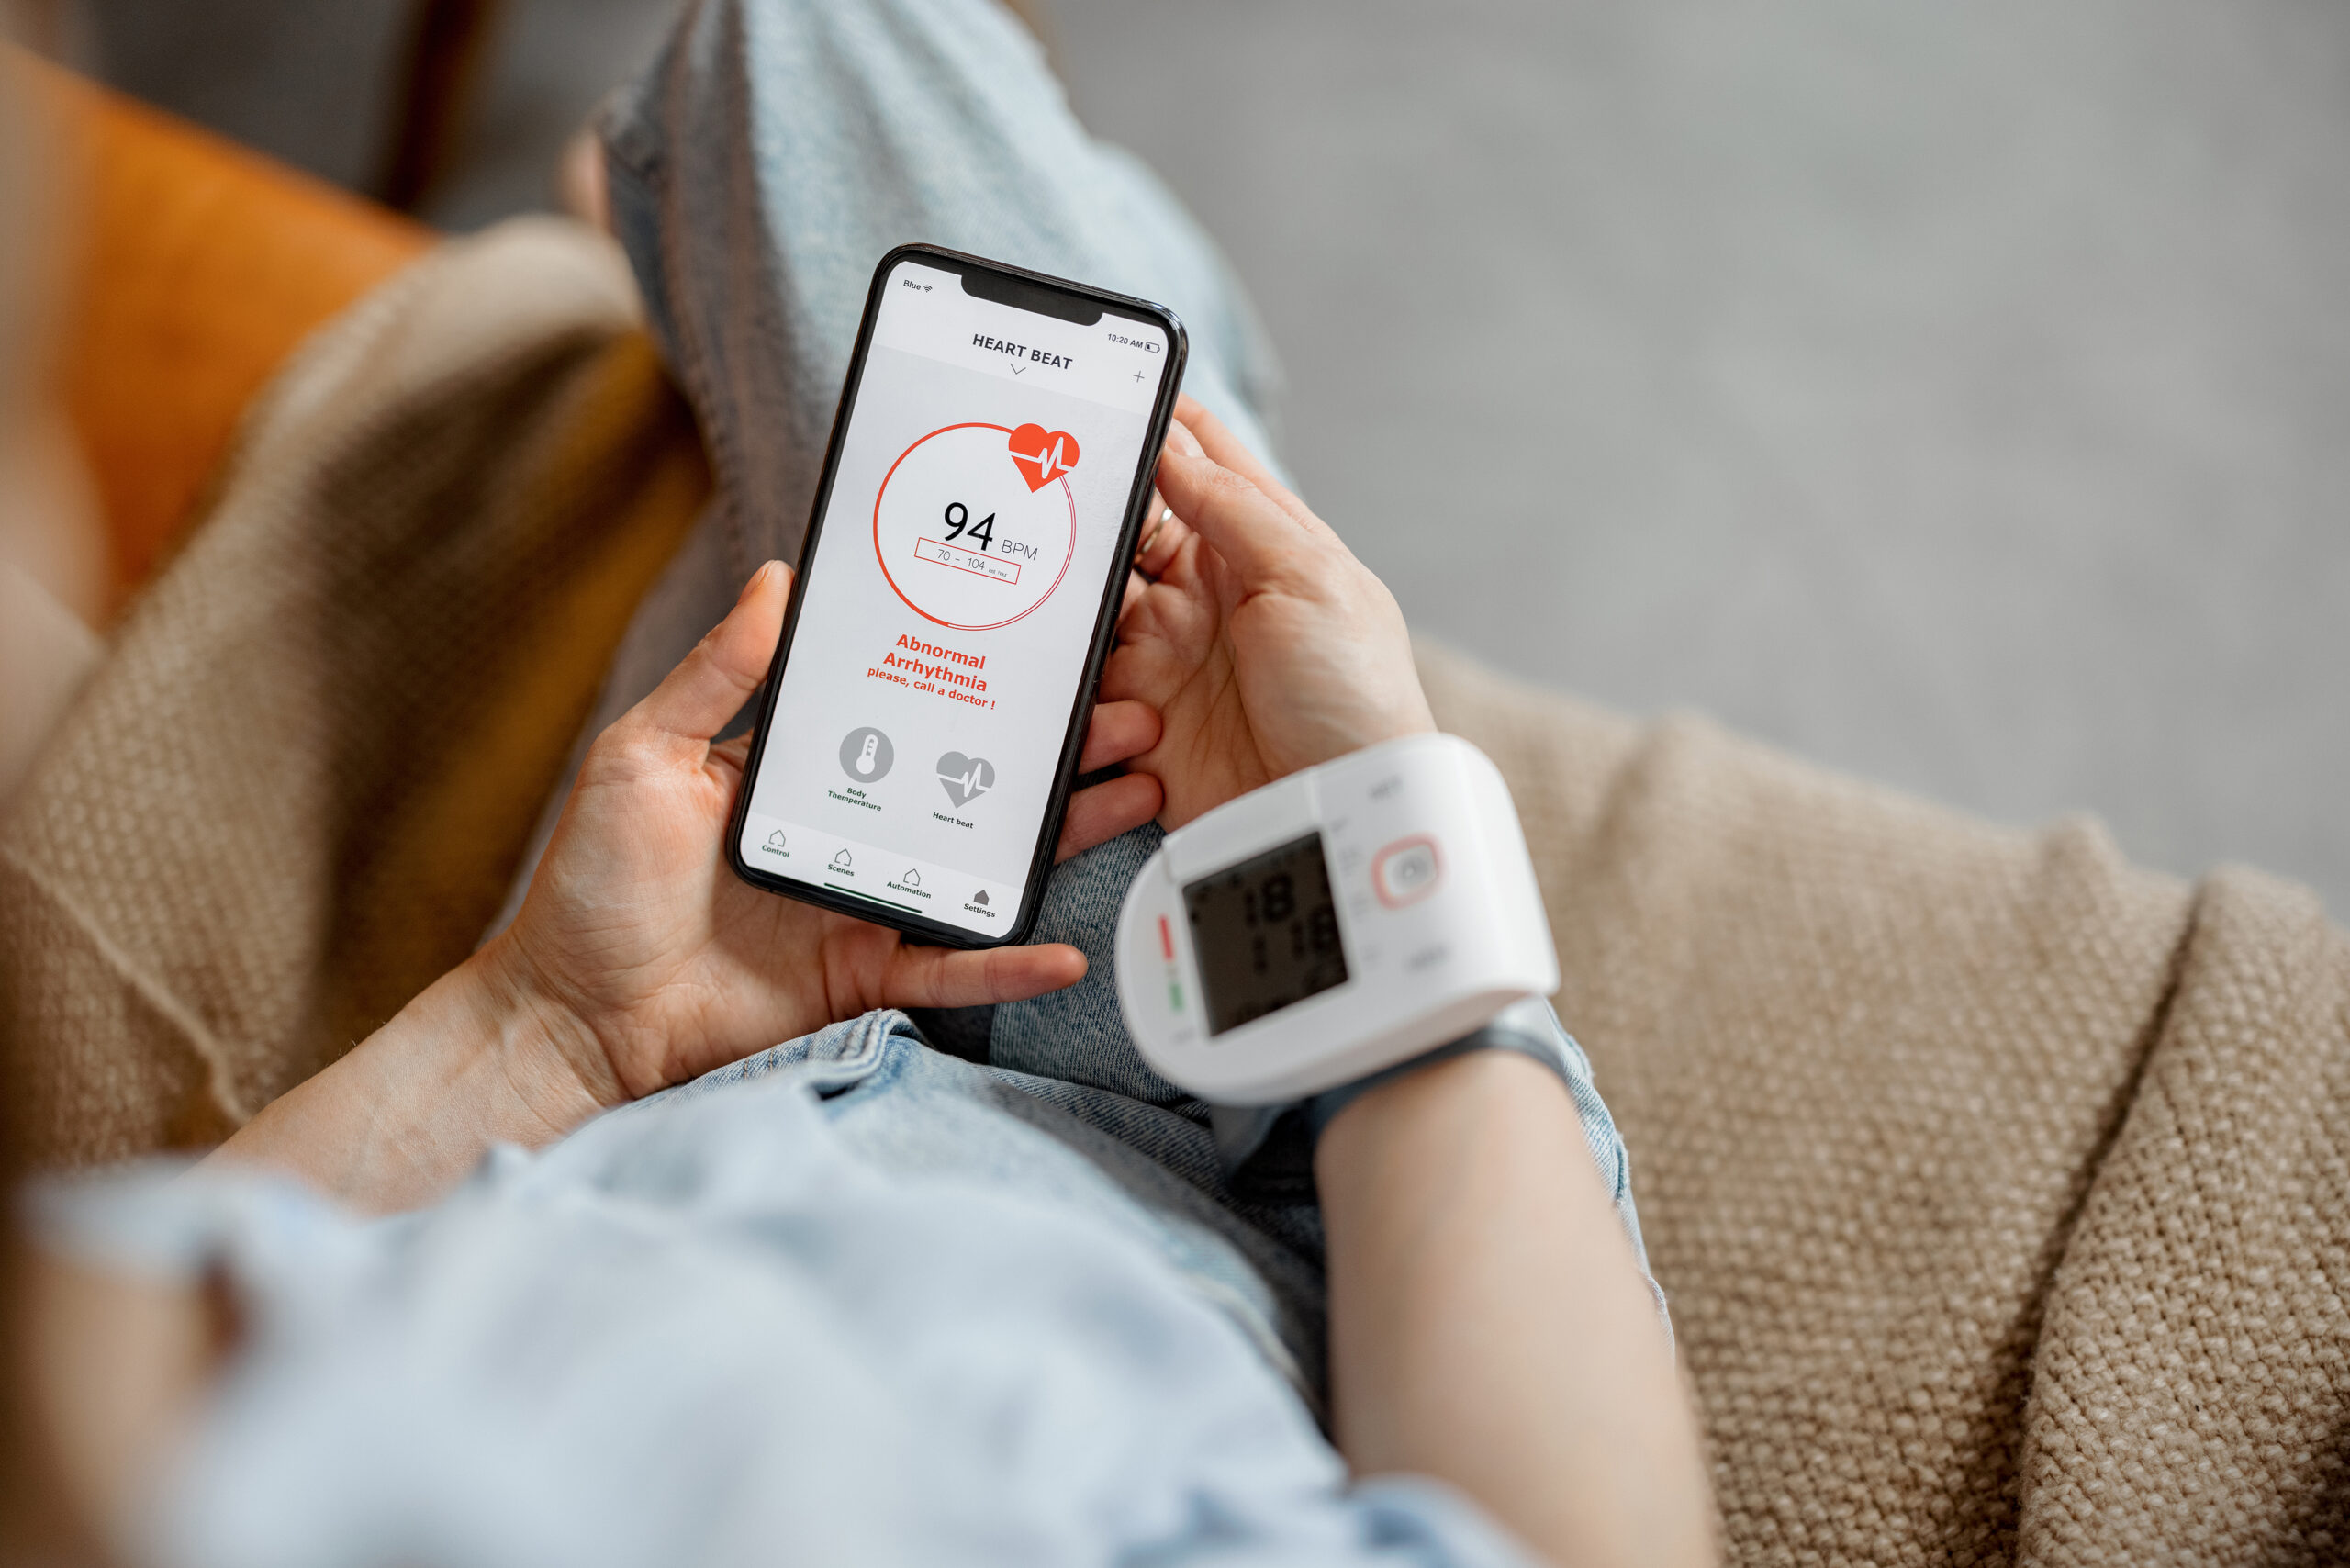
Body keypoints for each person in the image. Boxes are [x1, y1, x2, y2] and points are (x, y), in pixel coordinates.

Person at [10, 3, 1716, 1564]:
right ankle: (1101, 299)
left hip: (695, 1012)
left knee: (811, 65)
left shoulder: (133, 1464)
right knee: (828, 55)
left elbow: (152, 1306)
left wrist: (553, 1023)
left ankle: (855, 275)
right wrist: (1370, 833)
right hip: (1279, 1092)